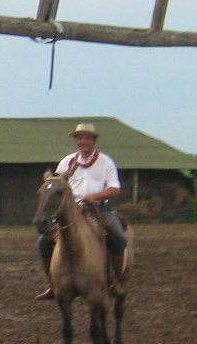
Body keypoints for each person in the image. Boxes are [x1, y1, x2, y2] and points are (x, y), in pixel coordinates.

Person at [35, 122, 128, 300]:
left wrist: (94, 197)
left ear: (93, 141)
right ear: (76, 141)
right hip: (71, 210)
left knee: (118, 237)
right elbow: (55, 185)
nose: (83, 141)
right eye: (80, 138)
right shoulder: (66, 162)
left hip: (98, 208)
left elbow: (115, 189)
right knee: (43, 242)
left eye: (87, 138)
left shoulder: (106, 162)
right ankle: (53, 284)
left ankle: (114, 280)